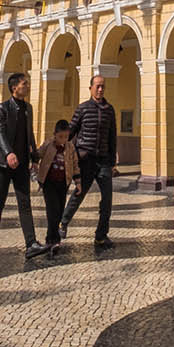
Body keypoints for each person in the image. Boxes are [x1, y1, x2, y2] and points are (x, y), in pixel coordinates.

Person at [0, 72, 49, 260]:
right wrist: (8, 153)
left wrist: (35, 159)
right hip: (3, 165)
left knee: (25, 203)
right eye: (24, 84)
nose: (27, 86)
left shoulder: (28, 108)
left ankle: (31, 243)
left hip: (21, 165)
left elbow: (30, 135)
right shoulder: (3, 108)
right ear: (14, 88)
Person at [59, 74, 118, 249]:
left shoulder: (109, 109)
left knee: (107, 199)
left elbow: (112, 135)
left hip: (104, 161)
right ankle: (63, 223)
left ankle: (101, 235)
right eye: (97, 86)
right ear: (91, 88)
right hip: (86, 159)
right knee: (79, 193)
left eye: (102, 86)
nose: (100, 89)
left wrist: (113, 160)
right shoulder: (83, 108)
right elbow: (71, 130)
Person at [34, 119, 75, 252]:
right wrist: (31, 158)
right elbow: (38, 154)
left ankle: (52, 238)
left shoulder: (70, 147)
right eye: (60, 137)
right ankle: (52, 240)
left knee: (59, 211)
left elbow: (75, 165)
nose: (63, 140)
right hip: (49, 182)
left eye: (66, 137)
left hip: (63, 183)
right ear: (55, 135)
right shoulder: (48, 144)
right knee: (52, 210)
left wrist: (78, 182)